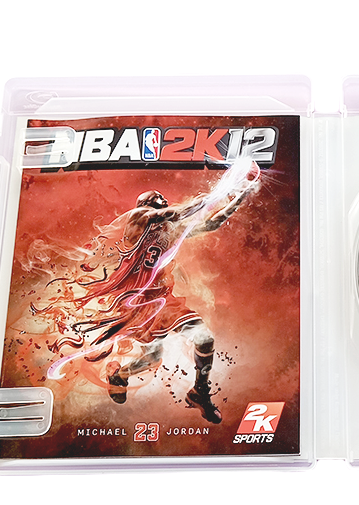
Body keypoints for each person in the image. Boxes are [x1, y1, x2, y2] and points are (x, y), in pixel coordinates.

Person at [68, 161, 259, 424]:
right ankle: (120, 375)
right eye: (156, 198)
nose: (163, 200)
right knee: (153, 357)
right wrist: (220, 190)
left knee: (203, 339)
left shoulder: (170, 228)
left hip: (162, 298)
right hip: (136, 301)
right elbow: (175, 212)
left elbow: (212, 223)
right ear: (145, 204)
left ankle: (199, 391)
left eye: (163, 198)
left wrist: (241, 195)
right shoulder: (139, 218)